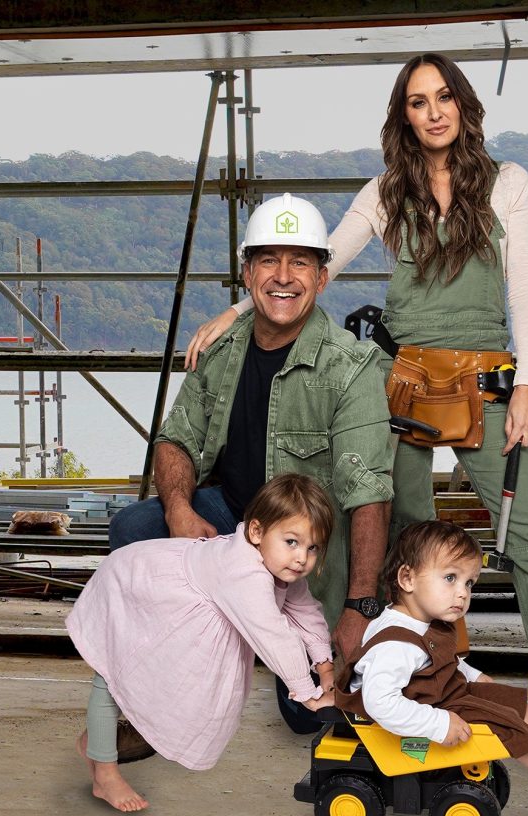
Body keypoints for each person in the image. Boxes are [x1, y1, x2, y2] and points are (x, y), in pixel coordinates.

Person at [183, 54, 528, 749]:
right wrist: (237, 311)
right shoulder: (383, 193)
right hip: (401, 383)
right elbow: (320, 263)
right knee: (403, 539)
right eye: (417, 101)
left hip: (486, 381)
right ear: (403, 115)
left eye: (443, 97)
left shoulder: (509, 183)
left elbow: (523, 291)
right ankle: (408, 678)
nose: (433, 111)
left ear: (463, 106)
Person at [109, 193, 395, 732]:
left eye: (300, 262)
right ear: (247, 273)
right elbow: (174, 441)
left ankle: (266, 627)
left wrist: (360, 605)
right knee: (135, 530)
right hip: (235, 529)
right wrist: (176, 510)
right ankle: (185, 667)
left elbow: (370, 494)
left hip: (306, 557)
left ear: (322, 277)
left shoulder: (351, 368)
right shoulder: (222, 351)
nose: (283, 276)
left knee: (309, 715)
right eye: (268, 260)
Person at [67, 474, 339, 812]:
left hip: (176, 615)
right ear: (256, 532)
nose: (302, 558)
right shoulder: (243, 571)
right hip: (134, 587)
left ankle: (97, 741)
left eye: (312, 548)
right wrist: (307, 692)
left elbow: (306, 612)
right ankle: (104, 774)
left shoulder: (281, 565)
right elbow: (273, 634)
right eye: (292, 542)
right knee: (113, 674)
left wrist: (326, 670)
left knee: (152, 681)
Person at [335, 521, 528, 789]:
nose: (462, 593)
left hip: (438, 693)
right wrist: (439, 723)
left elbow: (441, 660)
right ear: (407, 578)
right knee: (504, 724)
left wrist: (474, 676)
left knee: (515, 703)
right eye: (450, 578)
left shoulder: (424, 620)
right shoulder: (395, 644)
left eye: (468, 583)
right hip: (421, 709)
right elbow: (379, 702)